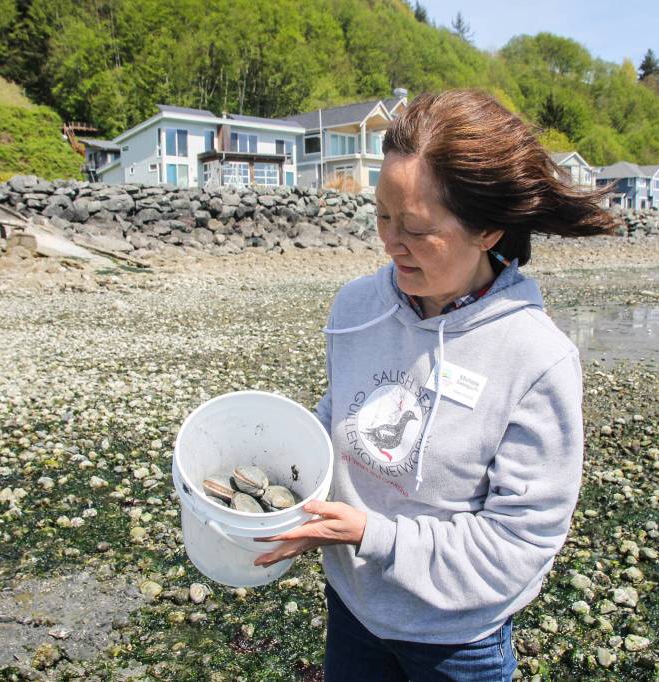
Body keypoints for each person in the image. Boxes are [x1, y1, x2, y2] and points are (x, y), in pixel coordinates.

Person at [254, 89, 616, 681]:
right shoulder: (357, 306)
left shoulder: (536, 357)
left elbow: (519, 545)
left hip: (458, 641)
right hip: (353, 609)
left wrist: (373, 535)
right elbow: (341, 412)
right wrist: (289, 473)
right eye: (382, 217)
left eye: (417, 229)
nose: (391, 243)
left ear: (489, 231)